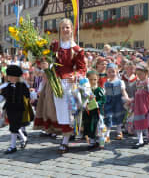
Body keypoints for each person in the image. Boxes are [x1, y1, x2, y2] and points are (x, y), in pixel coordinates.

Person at [34, 18, 86, 153]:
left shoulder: (77, 49)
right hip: (55, 83)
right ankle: (65, 136)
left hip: (69, 85)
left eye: (67, 27)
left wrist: (76, 76)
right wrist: (44, 65)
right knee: (59, 112)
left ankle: (65, 140)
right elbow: (45, 60)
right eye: (62, 27)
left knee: (67, 112)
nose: (65, 30)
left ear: (72, 29)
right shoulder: (54, 46)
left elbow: (82, 69)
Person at [0, 65, 33, 154]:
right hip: (9, 108)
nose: (9, 78)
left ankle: (12, 146)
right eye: (8, 76)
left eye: (11, 76)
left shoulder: (23, 85)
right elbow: (2, 97)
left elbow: (28, 95)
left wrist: (34, 95)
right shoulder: (6, 86)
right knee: (14, 126)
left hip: (19, 109)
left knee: (14, 126)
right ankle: (24, 138)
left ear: (17, 77)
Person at [104, 63, 129, 142]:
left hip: (118, 101)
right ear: (106, 72)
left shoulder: (120, 82)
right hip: (109, 101)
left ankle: (119, 131)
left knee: (118, 116)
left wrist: (126, 98)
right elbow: (104, 93)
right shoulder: (106, 83)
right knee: (108, 117)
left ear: (117, 71)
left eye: (113, 72)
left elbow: (123, 91)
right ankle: (107, 134)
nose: (111, 74)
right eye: (109, 72)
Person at [132, 62, 149, 149]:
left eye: (140, 74)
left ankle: (148, 136)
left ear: (146, 73)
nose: (139, 76)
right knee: (138, 121)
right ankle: (140, 139)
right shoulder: (138, 83)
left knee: (146, 122)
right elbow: (136, 93)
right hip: (138, 105)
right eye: (137, 74)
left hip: (145, 105)